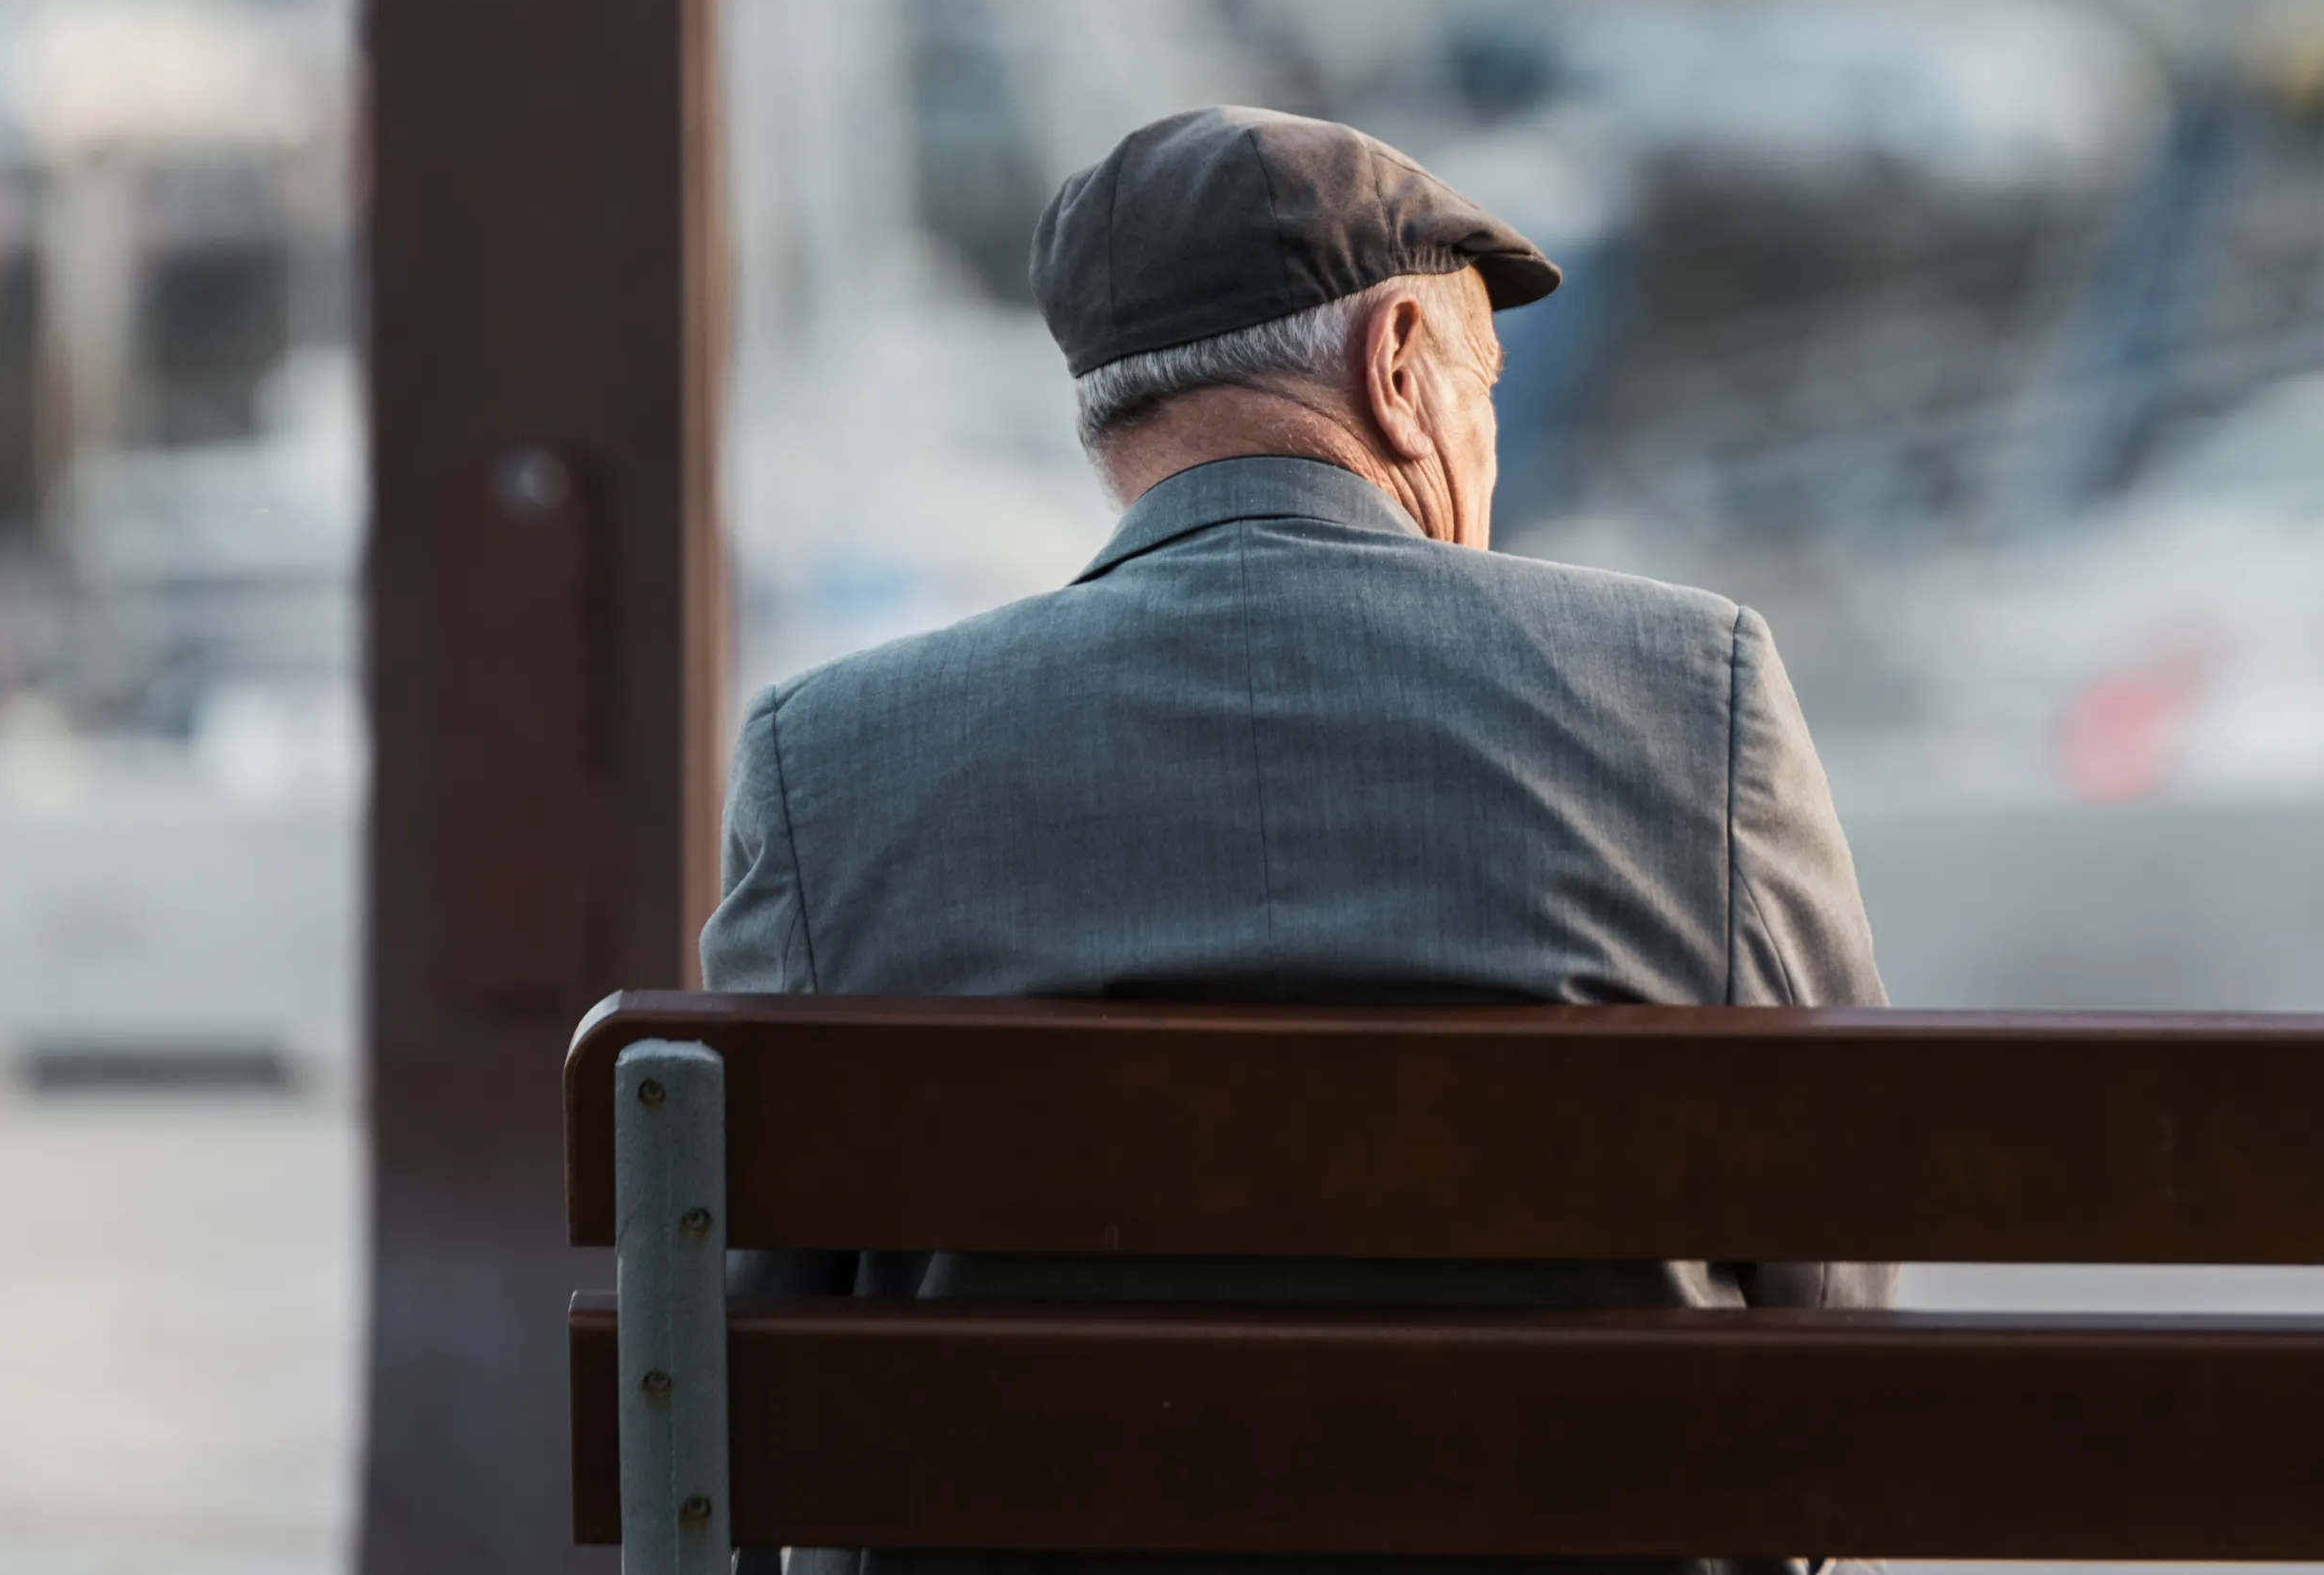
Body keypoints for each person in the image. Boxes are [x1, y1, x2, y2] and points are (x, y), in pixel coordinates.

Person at [700, 105, 1890, 1575]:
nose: (1489, 447)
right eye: (1486, 387)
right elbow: (1835, 1295)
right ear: (1398, 367)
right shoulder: (1688, 692)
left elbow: (742, 1351)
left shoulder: (834, 760)